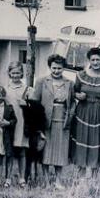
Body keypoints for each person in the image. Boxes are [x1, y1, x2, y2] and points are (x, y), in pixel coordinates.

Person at [71, 47, 100, 178]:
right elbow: (74, 92)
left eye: (98, 60)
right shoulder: (81, 75)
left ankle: (94, 178)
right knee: (82, 139)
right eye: (93, 60)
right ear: (89, 60)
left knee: (97, 142)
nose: (95, 62)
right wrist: (79, 96)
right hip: (83, 112)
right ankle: (80, 176)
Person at [32, 54, 73, 189]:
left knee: (60, 151)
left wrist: (70, 116)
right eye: (54, 68)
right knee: (46, 151)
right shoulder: (41, 81)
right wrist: (38, 123)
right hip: (46, 121)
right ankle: (45, 180)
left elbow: (72, 102)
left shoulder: (69, 83)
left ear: (63, 68)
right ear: (50, 67)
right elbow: (35, 103)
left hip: (62, 121)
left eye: (59, 68)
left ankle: (58, 181)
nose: (56, 71)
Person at [4, 61, 29, 187]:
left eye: (18, 73)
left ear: (22, 74)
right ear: (9, 73)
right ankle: (7, 178)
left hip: (22, 122)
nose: (15, 75)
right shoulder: (6, 89)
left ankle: (22, 178)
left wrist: (27, 104)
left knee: (22, 151)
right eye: (13, 73)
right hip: (10, 123)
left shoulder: (27, 89)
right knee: (9, 151)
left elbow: (33, 106)